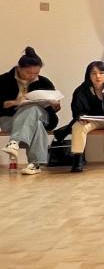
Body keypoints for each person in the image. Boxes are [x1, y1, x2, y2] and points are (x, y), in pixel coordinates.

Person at [0, 47, 61, 176]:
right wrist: (14, 103)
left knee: (33, 108)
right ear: (19, 68)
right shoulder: (3, 80)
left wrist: (54, 106)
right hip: (10, 120)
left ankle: (14, 142)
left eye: (36, 73)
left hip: (43, 116)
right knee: (36, 124)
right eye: (28, 72)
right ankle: (35, 164)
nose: (32, 76)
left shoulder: (44, 82)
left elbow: (52, 107)